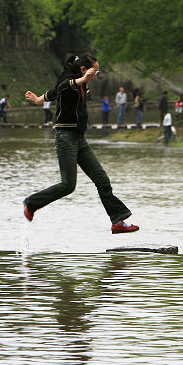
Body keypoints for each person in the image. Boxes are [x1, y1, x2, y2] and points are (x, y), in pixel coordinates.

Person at [22, 52, 139, 234]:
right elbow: (61, 87)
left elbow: (54, 92)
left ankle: (117, 220)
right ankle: (32, 203)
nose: (95, 76)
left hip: (79, 138)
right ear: (84, 69)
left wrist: (38, 99)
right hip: (65, 138)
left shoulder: (81, 82)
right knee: (68, 185)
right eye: (94, 72)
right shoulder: (70, 79)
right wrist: (81, 80)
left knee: (102, 180)